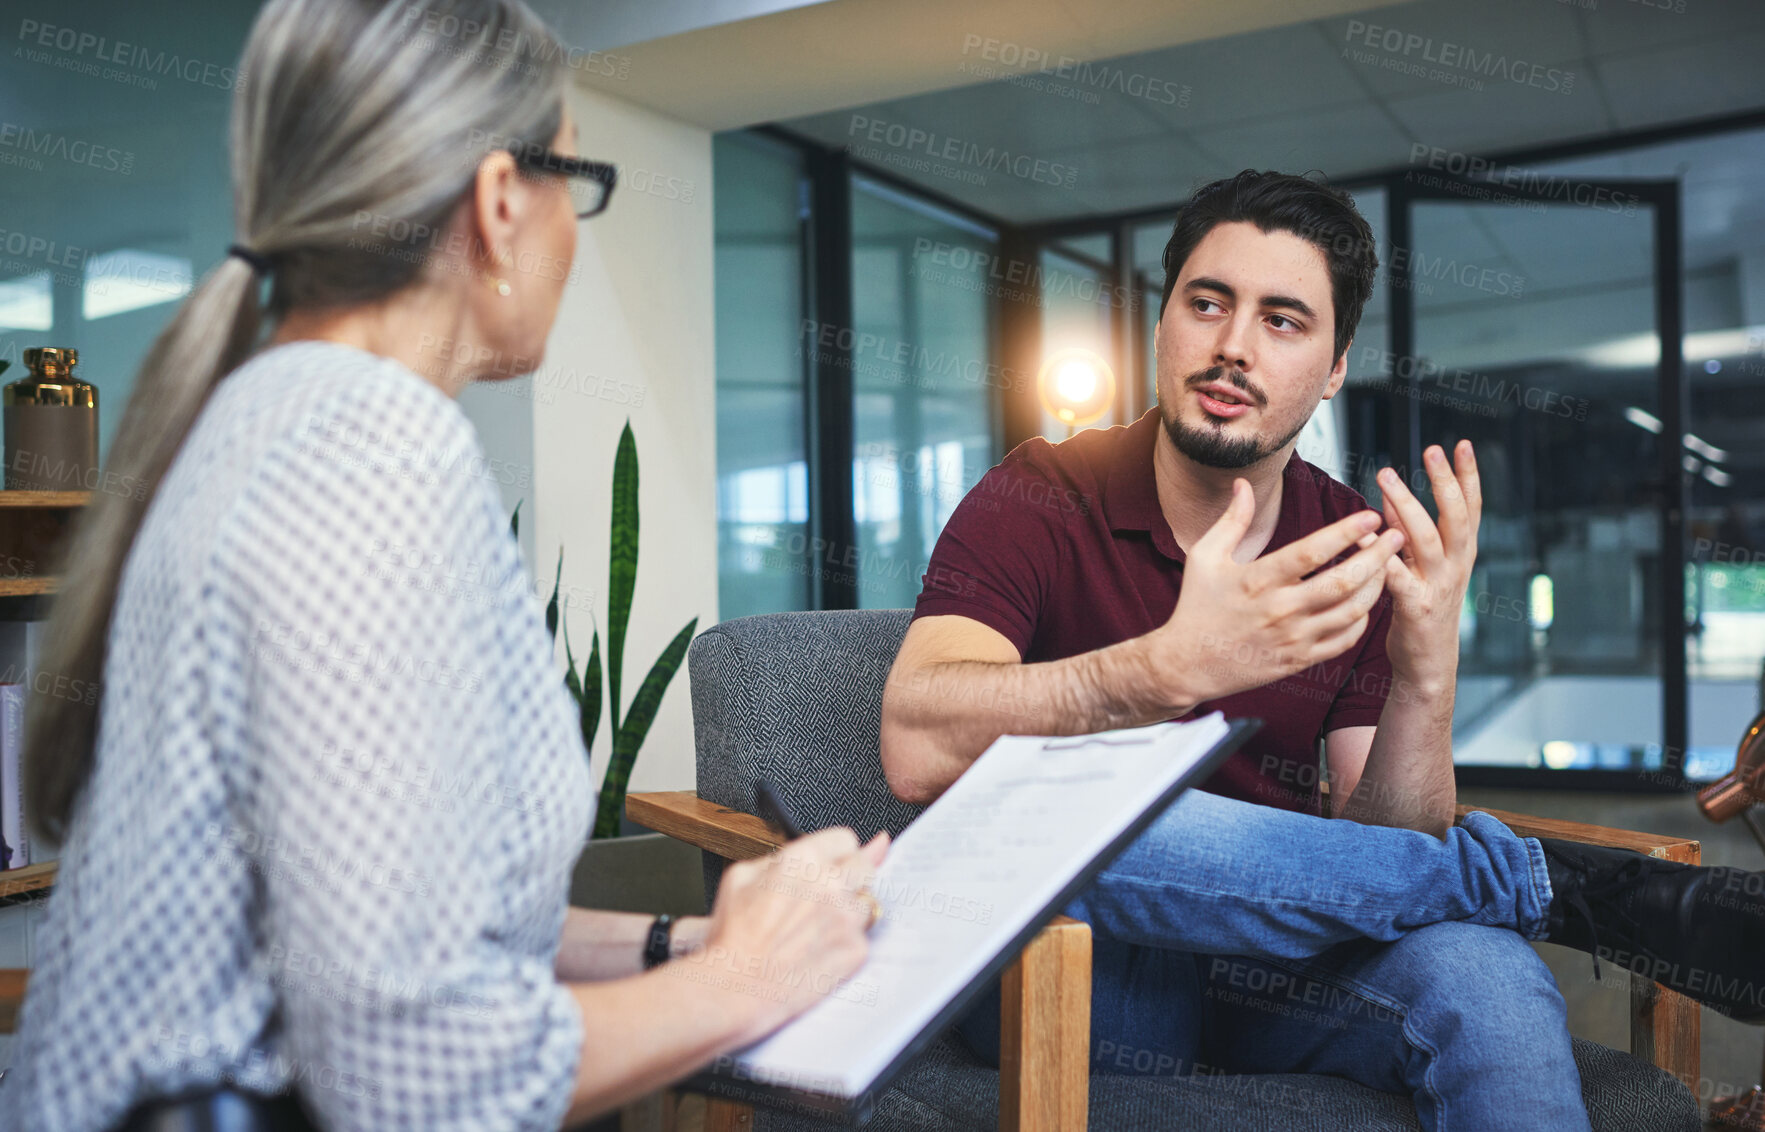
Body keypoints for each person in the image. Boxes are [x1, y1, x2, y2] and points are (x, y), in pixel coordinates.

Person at [1, 3, 889, 1131]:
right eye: (579, 176)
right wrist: (749, 980)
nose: (578, 227)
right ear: (501, 198)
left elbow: (391, 917)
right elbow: (415, 1070)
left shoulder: (273, 416)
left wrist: (691, 939)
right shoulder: (371, 456)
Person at [881, 169, 1765, 1131]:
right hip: (1071, 967)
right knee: (1058, 814)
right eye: (1207, 303)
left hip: (1274, 962)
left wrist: (1426, 671)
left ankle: (1524, 894)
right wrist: (1165, 669)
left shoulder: (1349, 544)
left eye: (1282, 321)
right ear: (1162, 321)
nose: (1230, 347)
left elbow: (1383, 838)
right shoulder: (1040, 492)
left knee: (1485, 969)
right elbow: (918, 745)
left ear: (1336, 364)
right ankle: (1539, 885)